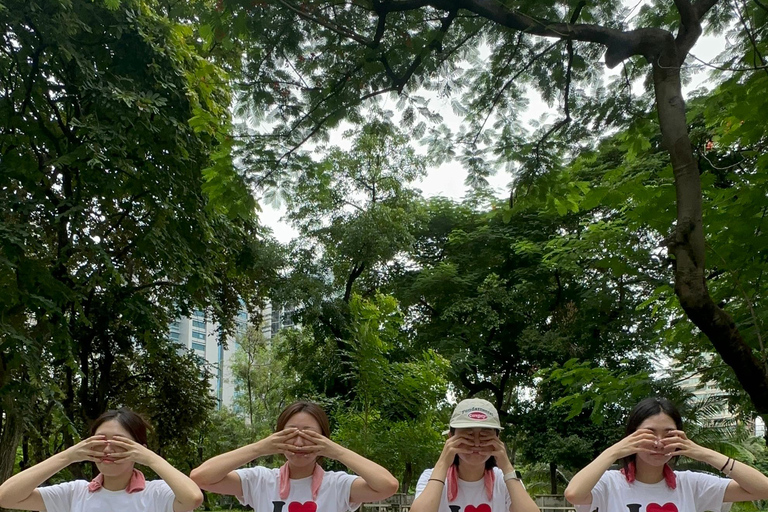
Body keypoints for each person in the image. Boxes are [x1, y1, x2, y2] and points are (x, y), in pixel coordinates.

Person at [564, 397, 768, 512]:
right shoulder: (608, 483)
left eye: (669, 435)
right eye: (649, 433)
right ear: (631, 436)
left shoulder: (691, 484)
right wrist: (616, 450)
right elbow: (574, 494)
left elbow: (763, 489)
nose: (659, 443)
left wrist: (704, 454)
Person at [190, 401, 399, 512]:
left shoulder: (337, 485)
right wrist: (259, 448)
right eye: (290, 434)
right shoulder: (261, 481)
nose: (299, 444)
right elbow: (201, 477)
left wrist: (336, 451)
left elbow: (387, 485)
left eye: (309, 435)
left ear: (324, 439)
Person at [0, 407, 203, 512]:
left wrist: (150, 458)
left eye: (120, 442)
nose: (108, 448)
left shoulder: (157, 493)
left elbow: (193, 498)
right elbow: (6, 497)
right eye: (101, 440)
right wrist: (67, 456)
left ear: (139, 450)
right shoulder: (74, 493)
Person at [412, 398, 539, 512]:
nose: (477, 443)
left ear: (497, 439)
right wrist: (443, 463)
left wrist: (507, 467)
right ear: (450, 438)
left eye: (485, 436)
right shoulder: (432, 477)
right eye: (468, 436)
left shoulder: (504, 480)